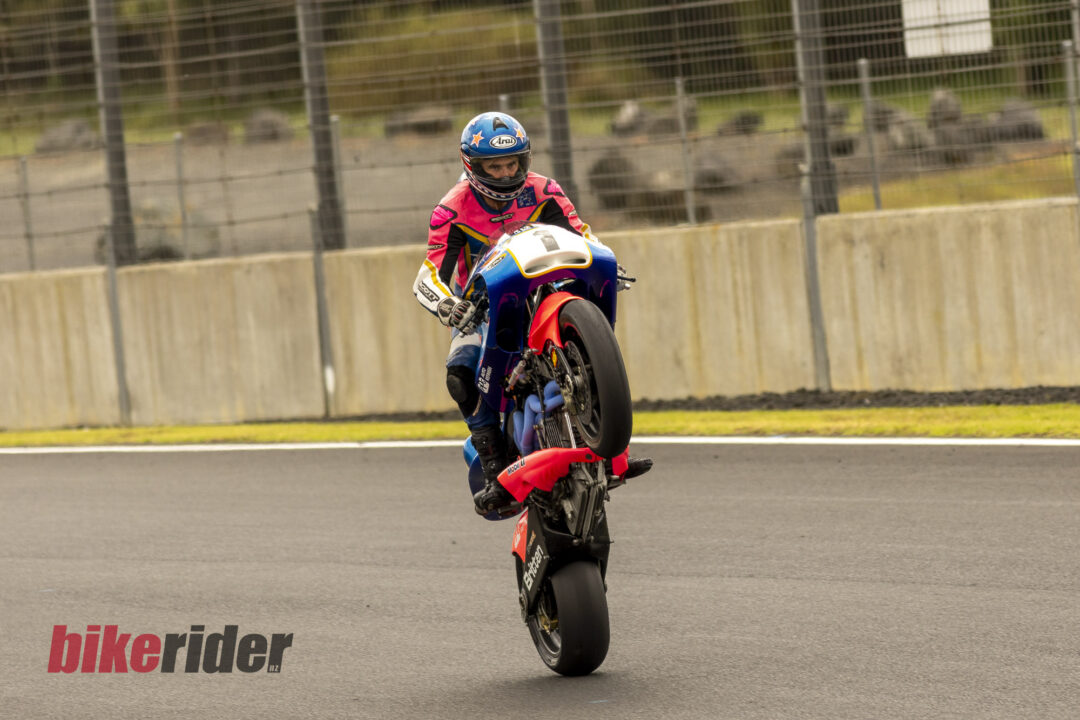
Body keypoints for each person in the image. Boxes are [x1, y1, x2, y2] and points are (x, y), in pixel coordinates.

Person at [412, 111, 597, 515]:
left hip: (546, 290)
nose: (505, 173)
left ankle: (606, 430)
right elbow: (428, 274)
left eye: (512, 163)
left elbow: (582, 235)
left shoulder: (545, 190)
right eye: (495, 166)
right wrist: (448, 305)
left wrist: (607, 264)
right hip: (481, 309)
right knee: (459, 373)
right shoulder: (450, 210)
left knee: (592, 332)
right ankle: (494, 462)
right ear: (473, 166)